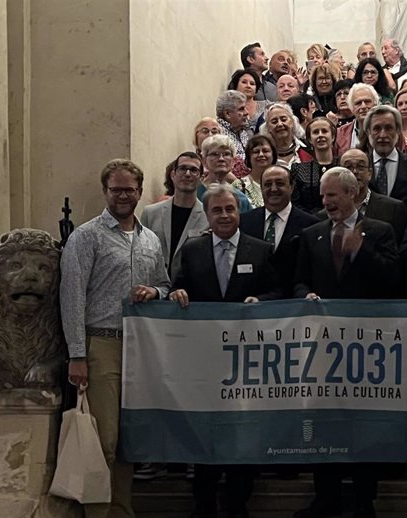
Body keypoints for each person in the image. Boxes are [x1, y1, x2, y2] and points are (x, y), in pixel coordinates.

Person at [61, 159, 170, 518]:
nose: (123, 195)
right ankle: (97, 512)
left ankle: (121, 511)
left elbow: (166, 285)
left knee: (128, 441)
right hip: (101, 345)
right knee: (103, 440)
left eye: (129, 189)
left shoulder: (150, 239)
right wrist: (77, 354)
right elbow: (73, 295)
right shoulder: (86, 237)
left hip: (141, 348)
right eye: (116, 189)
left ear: (140, 192)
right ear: (106, 191)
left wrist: (155, 291)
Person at [293, 167, 399, 518]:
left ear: (352, 194)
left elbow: (391, 283)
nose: (326, 201)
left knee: (364, 423)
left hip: (366, 348)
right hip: (322, 349)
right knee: (323, 422)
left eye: (332, 195)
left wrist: (361, 251)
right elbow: (298, 281)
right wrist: (304, 294)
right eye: (323, 196)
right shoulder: (311, 234)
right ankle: (326, 496)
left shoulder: (380, 231)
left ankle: (365, 499)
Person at [169, 183, 280, 518]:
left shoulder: (260, 250)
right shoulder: (192, 249)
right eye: (217, 210)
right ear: (207, 214)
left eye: (230, 209)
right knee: (205, 431)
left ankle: (237, 502)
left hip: (247, 362)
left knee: (243, 432)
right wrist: (176, 294)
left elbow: (278, 290)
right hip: (205, 362)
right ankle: (203, 502)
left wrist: (260, 300)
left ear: (239, 212)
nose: (224, 215)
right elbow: (178, 286)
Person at [240, 165, 318, 297]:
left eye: (280, 183)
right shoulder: (244, 222)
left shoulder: (311, 225)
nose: (274, 189)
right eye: (268, 184)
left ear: (292, 187)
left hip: (294, 307)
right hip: (252, 306)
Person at [141, 151, 209, 279]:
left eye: (194, 170)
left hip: (189, 291)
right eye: (182, 168)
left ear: (201, 178)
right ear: (173, 174)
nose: (187, 174)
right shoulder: (150, 213)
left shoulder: (208, 217)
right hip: (154, 287)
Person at [363, 104, 407, 210]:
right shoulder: (360, 167)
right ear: (368, 132)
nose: (383, 135)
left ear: (398, 130)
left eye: (388, 128)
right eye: (376, 129)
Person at [339, 148, 407, 243]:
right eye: (348, 167)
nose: (354, 171)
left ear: (369, 174)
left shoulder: (393, 208)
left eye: (361, 167)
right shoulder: (331, 209)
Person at [291, 117, 339, 213]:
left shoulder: (343, 166)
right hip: (309, 223)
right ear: (309, 139)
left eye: (324, 131)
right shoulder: (298, 169)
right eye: (316, 132)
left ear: (333, 137)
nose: (320, 135)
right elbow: (295, 204)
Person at [197, 134, 253, 213]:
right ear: (204, 160)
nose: (221, 159)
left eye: (226, 154)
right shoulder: (195, 194)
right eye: (215, 154)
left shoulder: (241, 198)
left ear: (233, 161)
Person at [232, 134, 278, 208]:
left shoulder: (282, 183)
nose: (261, 154)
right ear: (249, 157)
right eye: (256, 152)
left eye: (265, 151)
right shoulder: (238, 185)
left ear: (273, 155)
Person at [261, 102, 311, 167]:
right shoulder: (263, 155)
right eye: (274, 122)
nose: (280, 124)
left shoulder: (309, 148)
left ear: (292, 122)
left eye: (284, 119)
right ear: (267, 128)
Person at [335, 83, 379, 155]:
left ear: (375, 104)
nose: (363, 106)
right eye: (358, 103)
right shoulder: (340, 133)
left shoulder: (388, 129)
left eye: (367, 102)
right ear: (352, 107)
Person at [216, 90, 253, 163]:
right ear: (227, 114)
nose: (246, 113)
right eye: (241, 109)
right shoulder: (218, 135)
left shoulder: (243, 131)